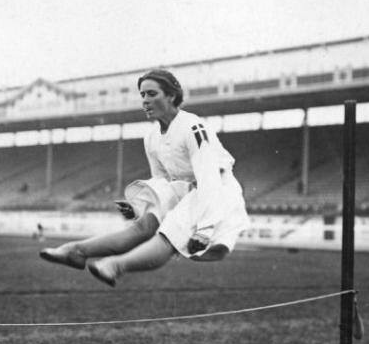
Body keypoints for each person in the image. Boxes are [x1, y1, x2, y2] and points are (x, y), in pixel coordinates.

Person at [39, 69, 250, 286]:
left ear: (171, 96)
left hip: (216, 190)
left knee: (169, 235)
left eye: (152, 94)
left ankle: (115, 265)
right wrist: (140, 207)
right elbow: (161, 181)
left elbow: (209, 177)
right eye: (142, 95)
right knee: (142, 226)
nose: (145, 101)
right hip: (185, 189)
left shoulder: (193, 126)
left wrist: (206, 228)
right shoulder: (151, 137)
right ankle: (77, 251)